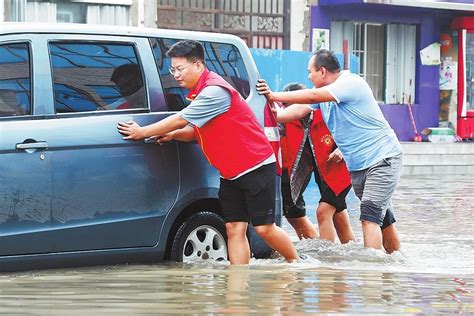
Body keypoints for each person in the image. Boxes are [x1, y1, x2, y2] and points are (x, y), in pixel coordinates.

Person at [117, 40, 299, 264]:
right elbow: (195, 131)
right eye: (172, 69)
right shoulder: (199, 92)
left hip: (255, 166)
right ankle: (238, 283)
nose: (175, 75)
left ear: (198, 65)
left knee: (264, 228)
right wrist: (173, 135)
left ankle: (296, 265)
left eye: (180, 69)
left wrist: (142, 132)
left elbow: (181, 119)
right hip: (230, 171)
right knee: (233, 228)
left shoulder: (214, 92)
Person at [257, 49, 402, 253]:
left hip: (382, 159)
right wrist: (272, 114)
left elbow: (312, 95)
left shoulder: (350, 83)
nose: (309, 76)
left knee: (369, 217)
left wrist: (273, 94)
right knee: (382, 217)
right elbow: (298, 110)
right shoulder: (323, 98)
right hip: (360, 166)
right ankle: (396, 261)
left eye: (310, 71)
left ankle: (372, 275)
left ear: (323, 71)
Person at [279, 82, 355, 243]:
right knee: (338, 213)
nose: (288, 110)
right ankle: (349, 253)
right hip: (317, 171)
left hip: (339, 172)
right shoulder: (286, 120)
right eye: (285, 106)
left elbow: (353, 132)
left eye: (290, 105)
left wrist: (341, 149)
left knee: (323, 212)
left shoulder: (328, 114)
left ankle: (327, 258)